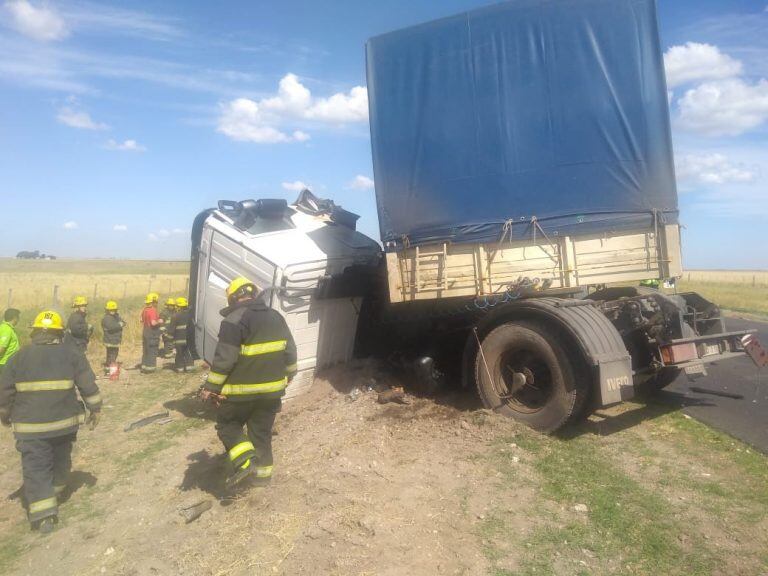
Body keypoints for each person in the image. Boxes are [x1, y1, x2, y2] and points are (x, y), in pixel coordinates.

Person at [0, 310, 102, 534]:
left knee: (36, 467)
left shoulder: (19, 357)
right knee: (60, 460)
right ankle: (55, 492)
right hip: (64, 424)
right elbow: (87, 383)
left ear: (35, 332)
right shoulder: (72, 354)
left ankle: (44, 514)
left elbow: (4, 392)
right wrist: (95, 408)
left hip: (30, 429)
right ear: (60, 333)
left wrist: (4, 415)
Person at [200, 277, 297, 488]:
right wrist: (290, 375)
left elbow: (225, 359)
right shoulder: (276, 317)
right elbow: (290, 351)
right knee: (261, 433)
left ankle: (245, 462)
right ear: (253, 295)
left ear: (233, 298)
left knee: (228, 425)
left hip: (240, 393)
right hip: (272, 393)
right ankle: (261, 479)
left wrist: (210, 388)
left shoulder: (233, 320)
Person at [140, 293, 163, 373]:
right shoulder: (153, 310)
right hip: (152, 333)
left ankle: (144, 366)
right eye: (156, 301)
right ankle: (150, 369)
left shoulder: (144, 310)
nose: (157, 303)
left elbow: (141, 320)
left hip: (145, 332)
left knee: (146, 350)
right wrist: (159, 321)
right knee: (152, 350)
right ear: (154, 301)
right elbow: (153, 323)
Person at [101, 300, 125, 374]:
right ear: (107, 310)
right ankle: (113, 372)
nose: (113, 311)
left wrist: (122, 323)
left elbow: (123, 322)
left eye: (114, 310)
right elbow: (111, 327)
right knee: (112, 356)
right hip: (110, 340)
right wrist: (120, 325)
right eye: (111, 310)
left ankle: (108, 369)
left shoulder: (116, 316)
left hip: (115, 339)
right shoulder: (107, 318)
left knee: (111, 355)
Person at [170, 297, 193, 373]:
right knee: (187, 352)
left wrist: (169, 339)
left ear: (178, 306)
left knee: (179, 354)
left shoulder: (175, 316)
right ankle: (189, 367)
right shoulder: (190, 315)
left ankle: (180, 369)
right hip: (187, 339)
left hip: (178, 339)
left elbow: (171, 330)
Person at [0, 308, 21, 376]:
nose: (19, 320)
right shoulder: (7, 329)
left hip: (8, 363)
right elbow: (2, 347)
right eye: (18, 317)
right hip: (6, 364)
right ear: (14, 317)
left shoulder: (7, 328)